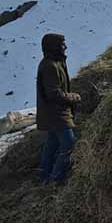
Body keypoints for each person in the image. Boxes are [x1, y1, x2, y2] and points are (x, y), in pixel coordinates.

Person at [36, 33, 81, 184]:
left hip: (56, 113)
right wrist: (73, 97)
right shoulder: (50, 66)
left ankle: (43, 174)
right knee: (69, 144)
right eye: (62, 44)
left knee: (52, 144)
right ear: (54, 47)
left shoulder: (55, 62)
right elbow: (54, 94)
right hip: (57, 114)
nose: (65, 47)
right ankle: (55, 178)